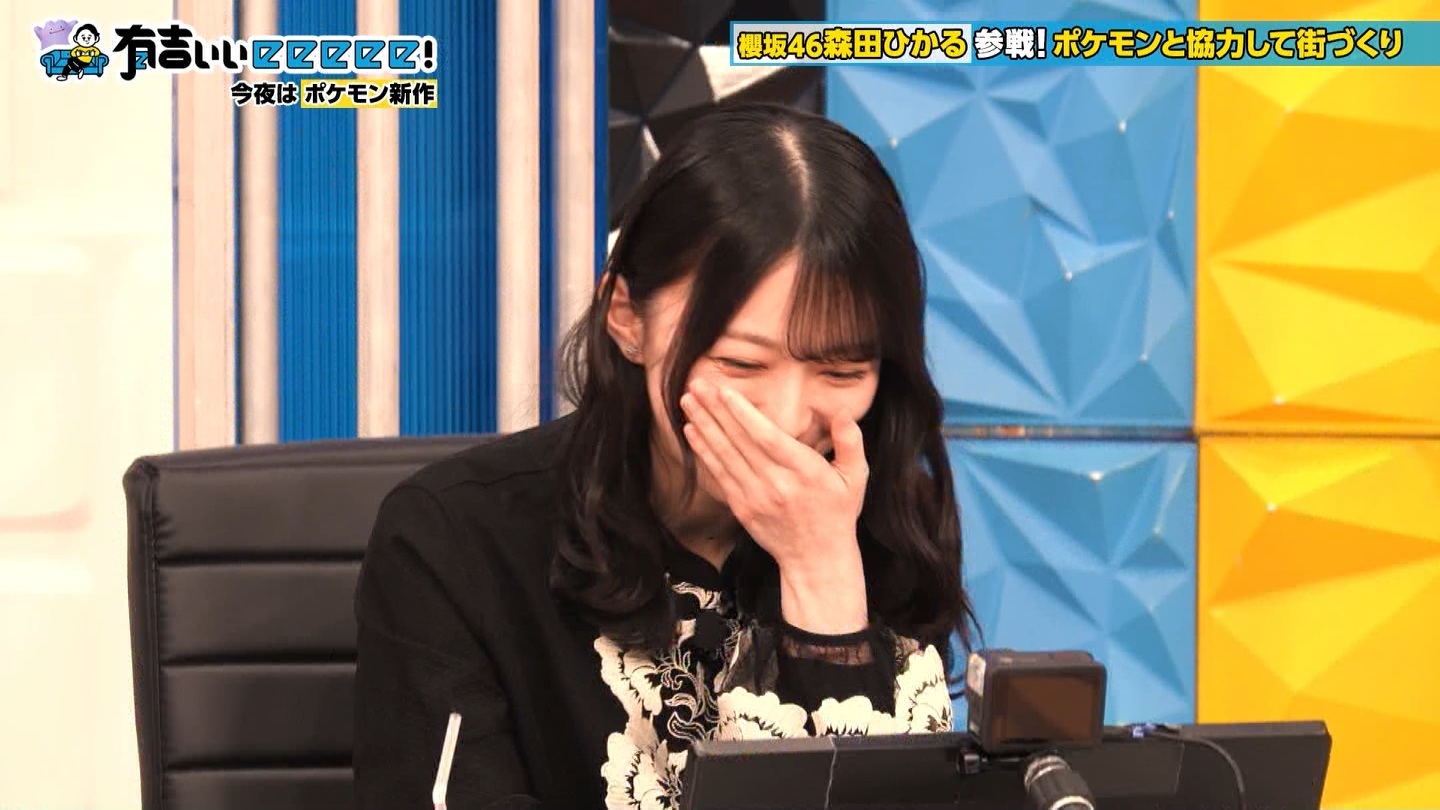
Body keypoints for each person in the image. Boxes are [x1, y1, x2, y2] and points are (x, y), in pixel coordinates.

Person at [353, 102, 980, 810]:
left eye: (841, 373)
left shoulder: (882, 522)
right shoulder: (454, 539)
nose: (784, 422)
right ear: (627, 318)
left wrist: (823, 572)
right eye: (741, 364)